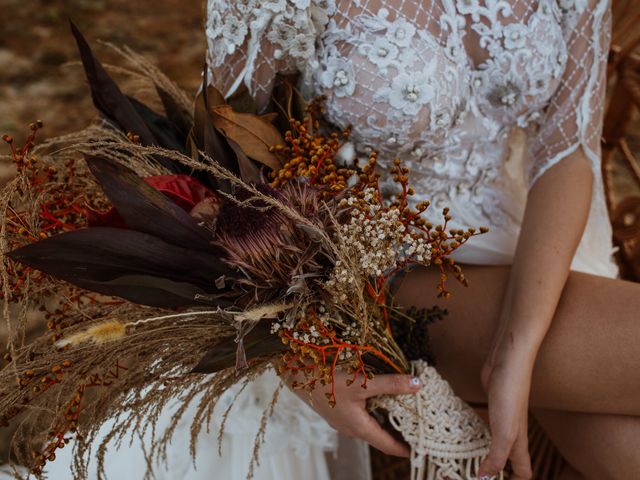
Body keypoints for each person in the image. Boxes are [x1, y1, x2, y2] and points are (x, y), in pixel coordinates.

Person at [204, 0, 640, 479]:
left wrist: (517, 347)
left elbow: (567, 152)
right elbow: (217, 176)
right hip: (376, 269)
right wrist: (302, 361)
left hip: (534, 238)